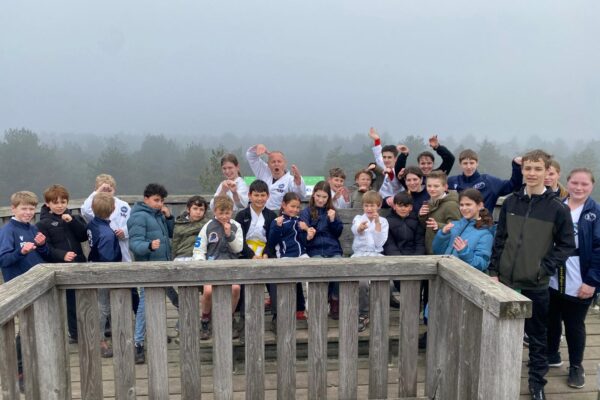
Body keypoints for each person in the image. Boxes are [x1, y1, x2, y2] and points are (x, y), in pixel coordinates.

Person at [488, 150, 575, 400]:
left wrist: (543, 268)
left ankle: (537, 383)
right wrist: (493, 270)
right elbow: (500, 238)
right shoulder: (510, 202)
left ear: (547, 171)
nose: (532, 173)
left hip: (536, 284)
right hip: (505, 282)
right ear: (522, 170)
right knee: (502, 333)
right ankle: (499, 376)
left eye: (538, 169)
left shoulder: (557, 209)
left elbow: (566, 245)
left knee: (537, 337)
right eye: (527, 168)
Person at [547, 168, 600, 389]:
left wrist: (592, 281)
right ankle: (551, 354)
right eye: (575, 183)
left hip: (580, 274)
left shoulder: (595, 212)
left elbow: (599, 249)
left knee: (574, 323)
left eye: (584, 184)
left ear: (592, 186)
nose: (579, 188)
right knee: (551, 318)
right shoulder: (556, 205)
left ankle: (576, 366)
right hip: (553, 271)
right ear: (567, 183)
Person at [0, 191, 49, 392]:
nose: (28, 212)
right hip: (19, 286)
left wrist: (42, 245)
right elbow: (3, 260)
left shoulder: (32, 228)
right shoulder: (8, 231)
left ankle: (31, 364)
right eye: (24, 208)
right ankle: (19, 371)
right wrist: (21, 252)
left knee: (34, 325)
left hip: (36, 284)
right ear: (13, 209)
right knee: (24, 328)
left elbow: (42, 255)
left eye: (31, 208)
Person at [127, 183, 174, 364]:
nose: (159, 204)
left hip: (162, 266)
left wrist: (169, 218)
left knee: (167, 300)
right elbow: (134, 244)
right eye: (156, 200)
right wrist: (148, 246)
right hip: (148, 269)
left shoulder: (158, 215)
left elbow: (171, 234)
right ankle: (138, 343)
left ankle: (156, 333)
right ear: (146, 199)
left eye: (162, 201)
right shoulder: (139, 217)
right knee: (145, 306)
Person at [36, 184, 88, 344]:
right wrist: (62, 255)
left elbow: (83, 236)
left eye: (63, 202)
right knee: (70, 302)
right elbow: (45, 248)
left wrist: (72, 222)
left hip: (79, 263)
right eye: (55, 202)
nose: (60, 206)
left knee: (84, 298)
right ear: (47, 204)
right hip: (60, 268)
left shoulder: (72, 217)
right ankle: (75, 333)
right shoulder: (43, 224)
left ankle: (87, 328)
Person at [192, 195, 243, 340]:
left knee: (235, 288)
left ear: (232, 211)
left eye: (227, 213)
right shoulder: (208, 226)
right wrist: (202, 265)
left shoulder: (236, 226)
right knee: (208, 291)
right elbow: (199, 249)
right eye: (221, 213)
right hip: (212, 266)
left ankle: (229, 317)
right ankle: (205, 319)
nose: (224, 216)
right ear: (215, 211)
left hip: (231, 265)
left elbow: (238, 248)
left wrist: (229, 235)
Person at [235, 180, 278, 336]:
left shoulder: (271, 215)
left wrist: (266, 253)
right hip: (246, 254)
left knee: (275, 280)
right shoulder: (242, 215)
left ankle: (277, 317)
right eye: (256, 195)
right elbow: (239, 240)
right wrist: (251, 255)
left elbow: (273, 239)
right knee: (245, 279)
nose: (259, 199)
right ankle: (244, 317)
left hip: (266, 254)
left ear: (268, 196)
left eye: (262, 195)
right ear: (249, 196)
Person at [300, 181, 344, 319]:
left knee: (340, 267)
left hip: (333, 249)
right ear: (313, 195)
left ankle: (335, 300)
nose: (321, 200)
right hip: (315, 250)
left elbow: (337, 233)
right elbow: (303, 235)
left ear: (328, 198)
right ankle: (320, 302)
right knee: (319, 270)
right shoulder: (306, 212)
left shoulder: (332, 211)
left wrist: (333, 220)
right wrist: (309, 234)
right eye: (318, 196)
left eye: (324, 197)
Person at [86, 192, 122, 358]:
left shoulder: (92, 224)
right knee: (103, 307)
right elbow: (108, 257)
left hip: (93, 264)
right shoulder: (107, 233)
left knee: (101, 305)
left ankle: (102, 335)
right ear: (113, 209)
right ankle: (99, 340)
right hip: (104, 272)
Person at [268, 192, 313, 322]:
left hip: (302, 255)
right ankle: (286, 313)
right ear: (284, 205)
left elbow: (304, 242)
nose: (295, 210)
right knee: (287, 283)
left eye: (298, 207)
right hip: (285, 257)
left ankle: (310, 311)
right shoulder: (277, 221)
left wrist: (307, 232)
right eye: (292, 206)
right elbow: (272, 242)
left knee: (314, 276)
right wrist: (278, 227)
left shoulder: (299, 221)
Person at [350, 190, 389, 332]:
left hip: (376, 255)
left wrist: (377, 222)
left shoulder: (383, 221)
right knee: (362, 282)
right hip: (359, 256)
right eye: (366, 205)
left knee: (384, 281)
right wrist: (360, 228)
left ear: (378, 206)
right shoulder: (358, 218)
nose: (369, 208)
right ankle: (364, 313)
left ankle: (379, 312)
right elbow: (355, 230)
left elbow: (379, 243)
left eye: (372, 205)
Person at [432, 189, 494, 271]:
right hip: (445, 274)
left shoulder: (485, 234)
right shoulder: (454, 225)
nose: (464, 208)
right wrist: (442, 235)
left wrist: (464, 252)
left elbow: (482, 265)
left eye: (468, 204)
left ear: (480, 206)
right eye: (461, 205)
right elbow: (437, 251)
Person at [169, 195, 208, 325]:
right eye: (195, 208)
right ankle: (184, 323)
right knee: (186, 293)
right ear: (188, 209)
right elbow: (175, 243)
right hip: (181, 258)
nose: (198, 212)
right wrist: (172, 259)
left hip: (200, 258)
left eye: (201, 209)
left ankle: (204, 320)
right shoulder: (179, 224)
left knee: (205, 291)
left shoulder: (207, 224)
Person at [447, 149, 523, 213]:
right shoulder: (452, 181)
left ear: (477, 163)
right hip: (458, 223)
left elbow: (514, 185)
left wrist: (516, 166)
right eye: (465, 163)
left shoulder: (489, 181)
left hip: (483, 223)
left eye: (472, 163)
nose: (469, 166)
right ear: (460, 165)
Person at [81, 174, 132, 263]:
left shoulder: (124, 205)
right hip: (103, 246)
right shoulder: (95, 205)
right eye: (103, 190)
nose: (106, 193)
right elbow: (85, 211)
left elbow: (132, 224)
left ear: (114, 189)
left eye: (109, 190)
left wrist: (125, 232)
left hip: (122, 246)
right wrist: (97, 193)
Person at [246, 144, 306, 209]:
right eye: (273, 162)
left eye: (279, 161)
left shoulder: (291, 180)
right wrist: (257, 147)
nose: (276, 164)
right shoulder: (263, 172)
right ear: (268, 164)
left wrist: (298, 184)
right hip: (261, 212)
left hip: (280, 213)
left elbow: (301, 196)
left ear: (285, 163)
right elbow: (250, 156)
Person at [419, 171, 461, 255]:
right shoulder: (429, 202)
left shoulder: (451, 205)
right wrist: (422, 216)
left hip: (444, 253)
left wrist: (438, 226)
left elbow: (457, 229)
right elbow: (426, 227)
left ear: (445, 187)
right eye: (429, 186)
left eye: (436, 186)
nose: (432, 189)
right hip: (430, 250)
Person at [368, 127, 403, 207]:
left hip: (393, 202)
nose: (386, 160)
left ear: (395, 158)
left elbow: (395, 185)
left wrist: (390, 173)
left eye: (389, 157)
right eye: (384, 157)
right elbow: (378, 155)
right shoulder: (384, 164)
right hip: (379, 200)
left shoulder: (399, 170)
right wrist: (377, 140)